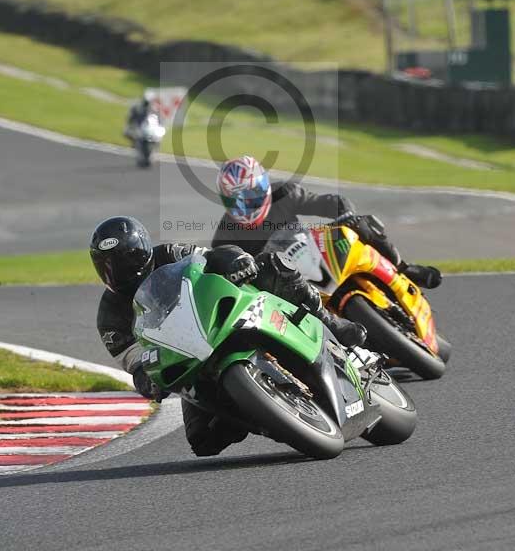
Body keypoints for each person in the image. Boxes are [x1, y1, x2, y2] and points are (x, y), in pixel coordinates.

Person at [91, 215, 367, 456]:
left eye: (126, 259)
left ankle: (329, 321)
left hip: (218, 315)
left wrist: (237, 261)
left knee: (272, 265)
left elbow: (211, 257)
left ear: (142, 249)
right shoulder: (109, 318)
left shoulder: (170, 253)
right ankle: (269, 415)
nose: (117, 271)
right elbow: (135, 363)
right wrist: (148, 380)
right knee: (204, 441)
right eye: (107, 266)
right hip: (188, 357)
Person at [212, 155, 442, 290]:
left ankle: (404, 269)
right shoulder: (226, 234)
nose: (245, 204)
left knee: (361, 224)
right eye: (236, 199)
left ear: (263, 187)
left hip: (313, 251)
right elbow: (221, 271)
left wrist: (345, 214)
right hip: (286, 284)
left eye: (250, 195)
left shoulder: (284, 193)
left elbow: (331, 202)